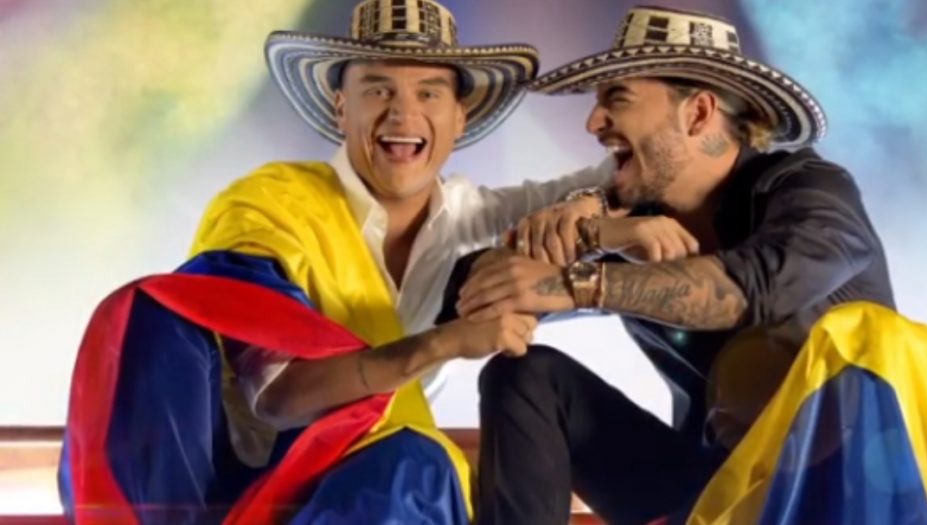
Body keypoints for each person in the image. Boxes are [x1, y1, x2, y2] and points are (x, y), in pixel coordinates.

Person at [449, 6, 927, 525]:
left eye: (617, 99)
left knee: (868, 335)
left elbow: (751, 287)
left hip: (842, 494)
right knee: (524, 377)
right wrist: (594, 233)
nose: (593, 123)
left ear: (698, 112)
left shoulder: (812, 194)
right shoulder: (629, 217)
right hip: (714, 494)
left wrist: (576, 283)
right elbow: (462, 301)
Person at [58, 1, 609, 523]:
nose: (404, 112)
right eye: (378, 89)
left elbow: (623, 179)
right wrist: (444, 343)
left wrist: (595, 209)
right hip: (248, 482)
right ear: (341, 107)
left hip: (386, 480)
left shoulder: (478, 218)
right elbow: (279, 397)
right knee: (157, 312)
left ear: (459, 117)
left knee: (412, 467)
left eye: (429, 92)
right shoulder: (272, 208)